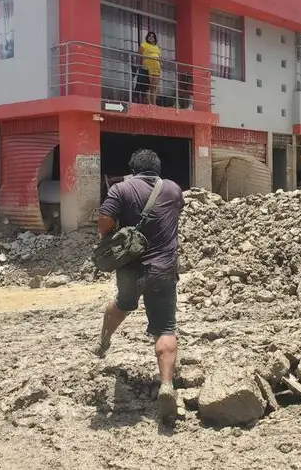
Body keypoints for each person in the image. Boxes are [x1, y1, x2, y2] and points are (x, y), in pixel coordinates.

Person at [94, 149, 185, 421]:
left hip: (130, 269)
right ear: (158, 170)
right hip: (164, 269)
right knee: (166, 326)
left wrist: (115, 235)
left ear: (133, 169)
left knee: (122, 303)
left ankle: (104, 340)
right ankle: (167, 385)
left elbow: (104, 222)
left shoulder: (121, 189)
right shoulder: (173, 189)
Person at [140, 32, 163, 106]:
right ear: (147, 37)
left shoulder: (157, 47)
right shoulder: (144, 44)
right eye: (149, 36)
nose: (151, 37)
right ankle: (149, 103)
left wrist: (160, 64)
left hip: (156, 67)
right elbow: (139, 53)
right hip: (147, 66)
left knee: (154, 86)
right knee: (148, 85)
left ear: (155, 38)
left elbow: (159, 57)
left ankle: (154, 103)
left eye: (153, 36)